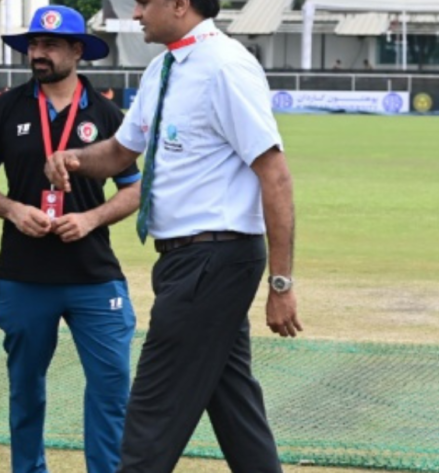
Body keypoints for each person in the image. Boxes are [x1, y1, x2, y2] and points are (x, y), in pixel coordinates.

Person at [44, 0, 301, 471]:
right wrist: (75, 158)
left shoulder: (226, 67)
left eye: (144, 2)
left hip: (214, 258)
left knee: (151, 416)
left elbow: (276, 175)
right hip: (187, 261)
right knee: (233, 404)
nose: (137, 13)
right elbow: (122, 152)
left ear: (180, 4)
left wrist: (281, 284)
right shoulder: (163, 68)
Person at [0, 5, 141, 473]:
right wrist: (12, 209)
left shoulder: (107, 113)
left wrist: (92, 220)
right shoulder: (6, 107)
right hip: (22, 276)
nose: (38, 54)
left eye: (50, 46)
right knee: (25, 390)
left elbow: (136, 189)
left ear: (77, 51)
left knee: (111, 387)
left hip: (93, 277)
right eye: (34, 45)